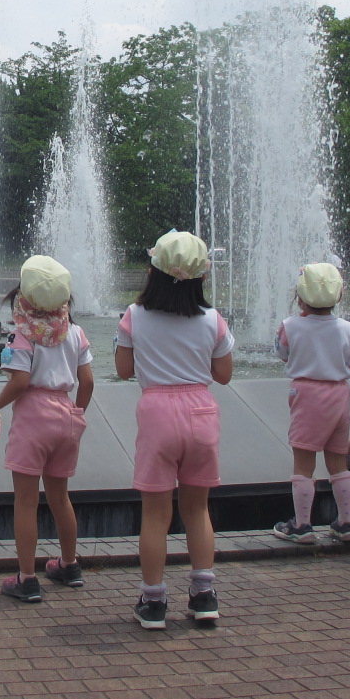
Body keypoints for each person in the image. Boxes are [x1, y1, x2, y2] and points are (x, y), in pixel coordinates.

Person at [114, 230, 232, 630]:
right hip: (201, 411)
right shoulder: (213, 320)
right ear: (202, 277)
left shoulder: (135, 316)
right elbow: (224, 374)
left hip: (157, 412)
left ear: (153, 271)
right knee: (197, 510)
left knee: (155, 515)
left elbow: (123, 370)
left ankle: (153, 602)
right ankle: (203, 595)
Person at [0, 255, 94, 601]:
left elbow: (19, 382)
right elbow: (87, 380)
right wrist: (76, 412)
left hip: (33, 417)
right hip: (66, 414)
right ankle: (69, 564)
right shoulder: (75, 333)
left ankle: (27, 578)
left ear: (24, 298)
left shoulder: (23, 336)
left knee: (26, 502)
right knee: (61, 497)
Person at [269, 263, 350, 544]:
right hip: (339, 394)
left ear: (300, 297)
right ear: (338, 297)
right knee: (338, 460)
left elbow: (282, 353)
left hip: (306, 394)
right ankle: (346, 522)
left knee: (304, 462)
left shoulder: (290, 326)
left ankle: (302, 525)